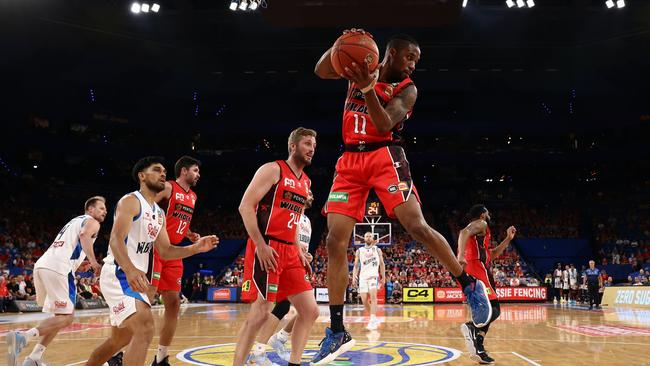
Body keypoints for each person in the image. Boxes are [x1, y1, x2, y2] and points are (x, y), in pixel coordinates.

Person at [311, 29, 492, 365]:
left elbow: (382, 124)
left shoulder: (407, 90)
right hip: (350, 159)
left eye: (417, 60)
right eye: (410, 57)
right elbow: (321, 69)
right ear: (390, 53)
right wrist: (339, 48)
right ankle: (337, 330)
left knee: (416, 225)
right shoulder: (360, 67)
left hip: (385, 155)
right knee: (335, 241)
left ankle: (467, 284)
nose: (413, 65)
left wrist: (365, 86)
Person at [84, 156, 218, 366]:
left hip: (133, 278)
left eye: (164, 170)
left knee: (118, 340)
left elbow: (165, 251)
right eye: (157, 170)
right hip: (119, 273)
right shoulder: (130, 201)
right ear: (142, 176)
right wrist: (129, 270)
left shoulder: (159, 214)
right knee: (145, 328)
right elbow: (116, 239)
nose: (163, 173)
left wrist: (195, 248)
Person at [233, 128, 319, 366]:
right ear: (293, 146)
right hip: (267, 246)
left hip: (290, 250)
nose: (312, 148)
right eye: (307, 144)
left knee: (310, 311)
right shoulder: (273, 169)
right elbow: (245, 206)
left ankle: (294, 362)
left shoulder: (306, 182)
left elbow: (291, 221)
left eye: (314, 144)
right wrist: (260, 244)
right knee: (261, 312)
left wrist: (300, 252)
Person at [6, 197, 107, 366]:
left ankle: (34, 358)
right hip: (58, 268)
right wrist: (94, 261)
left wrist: (78, 264)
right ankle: (22, 337)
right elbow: (84, 236)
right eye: (101, 208)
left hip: (43, 265)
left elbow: (70, 246)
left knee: (59, 317)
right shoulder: (92, 222)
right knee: (67, 317)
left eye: (105, 209)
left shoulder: (74, 221)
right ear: (90, 210)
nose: (104, 211)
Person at [247, 190, 315, 364]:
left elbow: (302, 246)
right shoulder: (288, 213)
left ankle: (277, 340)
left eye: (311, 192)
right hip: (281, 259)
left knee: (304, 310)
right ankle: (259, 351)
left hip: (295, 262)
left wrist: (307, 256)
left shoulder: (306, 221)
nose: (310, 195)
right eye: (307, 192)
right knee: (275, 307)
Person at [457, 204, 516, 365]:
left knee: (490, 310)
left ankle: (479, 347)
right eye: (487, 212)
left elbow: (492, 254)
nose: (489, 215)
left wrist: (508, 239)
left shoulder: (481, 238)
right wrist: (460, 255)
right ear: (483, 214)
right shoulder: (481, 224)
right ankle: (472, 329)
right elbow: (463, 232)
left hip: (480, 268)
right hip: (477, 268)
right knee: (494, 309)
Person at [352, 232, 386, 331]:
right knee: (364, 300)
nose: (368, 237)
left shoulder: (377, 250)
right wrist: (354, 276)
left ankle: (372, 319)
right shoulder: (359, 250)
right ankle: (373, 316)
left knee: (373, 296)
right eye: (366, 236)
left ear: (373, 238)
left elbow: (382, 264)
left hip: (373, 276)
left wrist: (383, 277)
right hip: (362, 277)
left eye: (370, 236)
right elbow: (356, 265)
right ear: (364, 238)